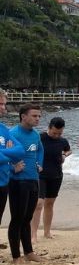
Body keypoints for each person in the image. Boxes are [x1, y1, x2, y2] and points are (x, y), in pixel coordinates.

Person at [8, 104, 44, 263]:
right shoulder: (12, 134)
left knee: (28, 218)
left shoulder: (35, 134)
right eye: (34, 116)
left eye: (39, 116)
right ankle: (16, 256)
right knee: (17, 218)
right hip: (18, 182)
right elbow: (3, 154)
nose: (38, 119)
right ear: (23, 116)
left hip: (33, 179)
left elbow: (40, 150)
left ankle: (29, 252)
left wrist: (39, 163)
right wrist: (12, 168)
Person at [31, 117, 71, 242]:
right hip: (40, 175)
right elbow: (31, 150)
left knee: (50, 203)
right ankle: (33, 234)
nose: (56, 135)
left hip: (56, 175)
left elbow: (68, 150)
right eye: (54, 133)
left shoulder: (62, 140)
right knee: (38, 204)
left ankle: (47, 232)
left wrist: (64, 155)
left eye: (59, 133)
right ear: (49, 128)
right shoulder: (40, 137)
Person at [0, 90, 24, 236]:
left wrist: (4, 155)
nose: (3, 108)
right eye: (0, 104)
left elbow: (20, 151)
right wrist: (10, 154)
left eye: (4, 104)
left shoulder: (3, 129)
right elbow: (14, 154)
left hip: (3, 183)